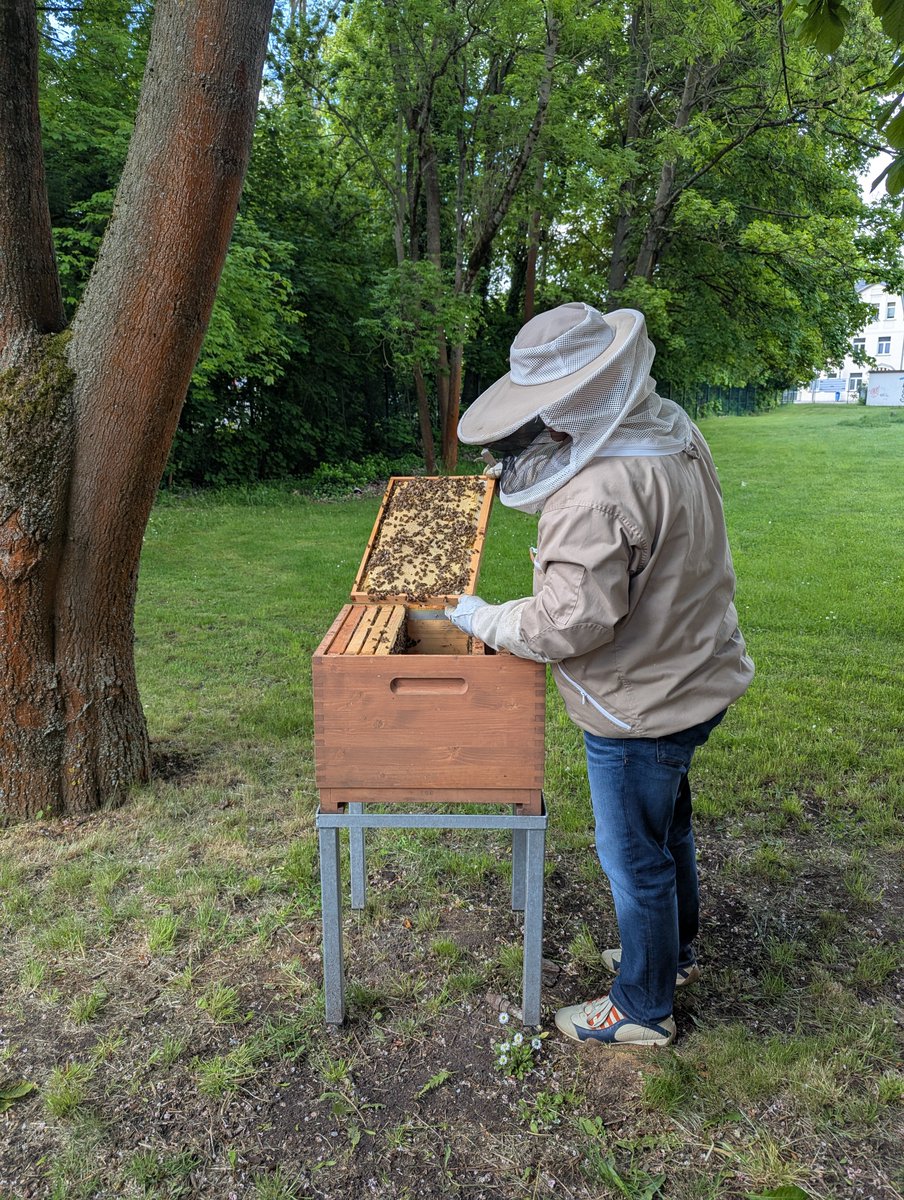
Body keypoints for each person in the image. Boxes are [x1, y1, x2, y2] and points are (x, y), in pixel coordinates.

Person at [445, 302, 754, 1047]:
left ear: (576, 400)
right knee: (667, 827)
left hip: (638, 706)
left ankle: (643, 1007)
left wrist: (486, 619)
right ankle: (671, 954)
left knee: (632, 855)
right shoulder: (672, 430)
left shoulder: (595, 492)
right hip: (695, 671)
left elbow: (568, 622)